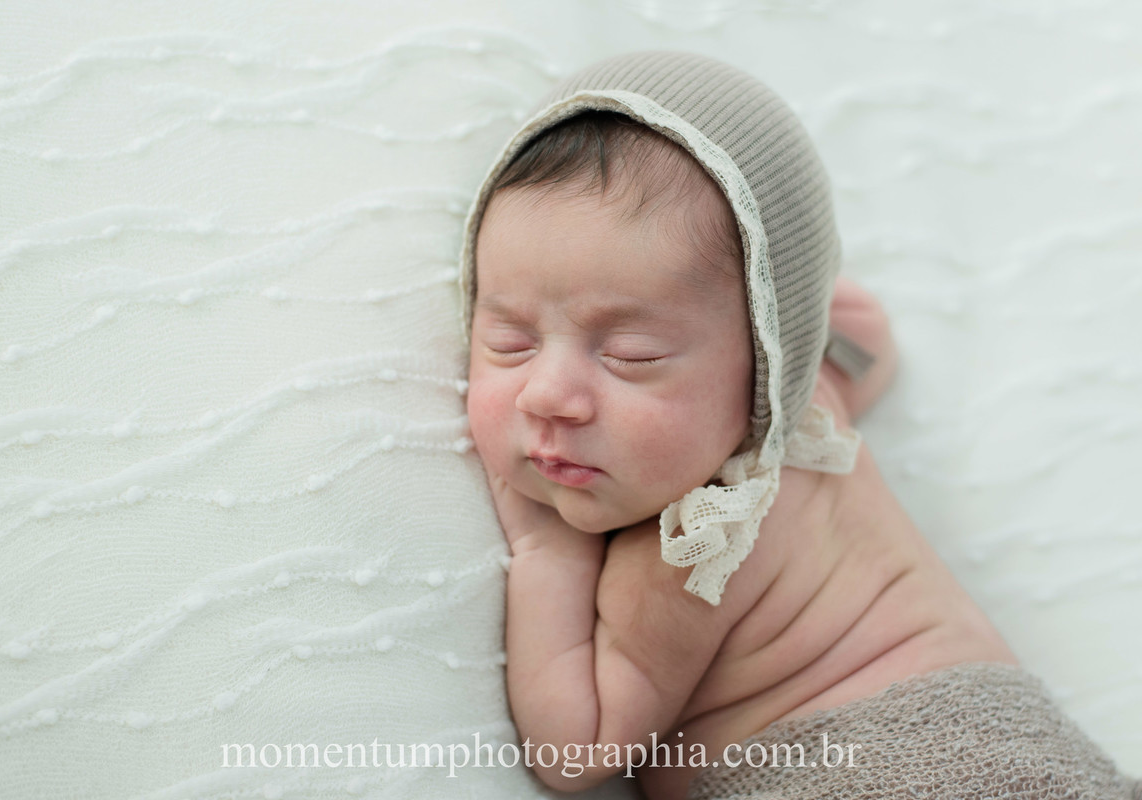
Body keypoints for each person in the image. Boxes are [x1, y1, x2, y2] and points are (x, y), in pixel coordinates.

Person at [459, 51, 1142, 800]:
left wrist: (544, 546)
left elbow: (576, 750)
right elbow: (864, 328)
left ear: (762, 361)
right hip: (1015, 745)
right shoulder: (816, 399)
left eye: (631, 354)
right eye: (509, 343)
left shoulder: (695, 551)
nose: (550, 396)